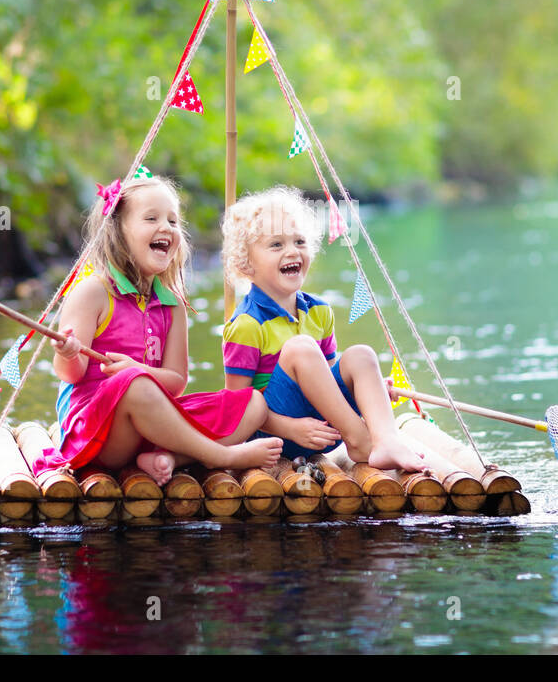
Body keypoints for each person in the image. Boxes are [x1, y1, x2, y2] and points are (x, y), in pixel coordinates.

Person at [52, 175, 282, 486]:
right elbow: (71, 374)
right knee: (133, 384)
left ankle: (172, 458)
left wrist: (139, 369)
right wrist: (67, 353)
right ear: (118, 230)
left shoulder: (171, 304)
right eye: (151, 218)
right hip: (99, 434)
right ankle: (219, 455)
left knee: (252, 402)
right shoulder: (93, 292)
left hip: (155, 424)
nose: (166, 227)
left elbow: (175, 382)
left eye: (173, 221)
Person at [221, 186, 425, 472]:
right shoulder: (246, 324)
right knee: (301, 348)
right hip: (276, 436)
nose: (292, 251)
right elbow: (237, 409)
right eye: (276, 245)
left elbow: (329, 381)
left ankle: (385, 438)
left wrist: (367, 390)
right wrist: (291, 428)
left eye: (300, 241)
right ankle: (362, 440)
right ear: (246, 262)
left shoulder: (319, 311)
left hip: (327, 429)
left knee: (361, 356)